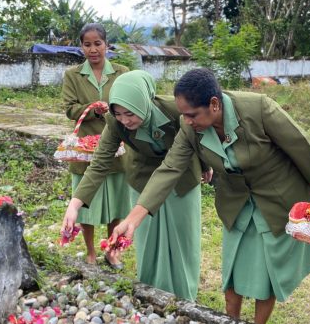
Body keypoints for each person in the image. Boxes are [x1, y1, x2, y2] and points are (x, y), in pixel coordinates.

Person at [110, 68, 310, 324]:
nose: (187, 121)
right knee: (232, 267)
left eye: (192, 114)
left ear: (214, 104)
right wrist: (133, 220)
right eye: (183, 115)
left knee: (267, 270)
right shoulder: (190, 127)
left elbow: (299, 147)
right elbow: (169, 169)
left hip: (276, 196)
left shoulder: (258, 109)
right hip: (236, 200)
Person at [62, 71, 207, 300]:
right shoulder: (115, 123)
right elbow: (100, 162)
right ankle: (152, 294)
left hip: (181, 177)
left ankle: (184, 297)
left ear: (144, 101)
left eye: (130, 113)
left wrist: (205, 166)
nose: (125, 120)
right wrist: (74, 204)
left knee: (183, 241)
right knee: (148, 240)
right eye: (118, 113)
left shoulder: (175, 112)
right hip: (143, 177)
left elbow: (200, 138)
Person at [62, 23, 130, 269]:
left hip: (118, 147)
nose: (93, 49)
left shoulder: (122, 72)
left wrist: (113, 108)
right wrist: (92, 108)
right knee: (86, 203)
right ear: (81, 47)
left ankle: (112, 251)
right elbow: (70, 108)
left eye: (97, 43)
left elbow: (130, 101)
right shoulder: (73, 75)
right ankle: (91, 252)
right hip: (86, 150)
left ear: (106, 45)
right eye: (87, 44)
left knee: (117, 203)